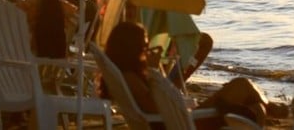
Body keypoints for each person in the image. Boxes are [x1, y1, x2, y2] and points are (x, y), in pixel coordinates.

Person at [99, 21, 268, 129]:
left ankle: (271, 108)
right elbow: (155, 107)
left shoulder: (125, 73)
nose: (146, 50)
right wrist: (152, 71)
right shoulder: (131, 78)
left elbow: (159, 101)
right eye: (143, 47)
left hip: (179, 118)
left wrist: (155, 69)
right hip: (182, 123)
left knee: (252, 104)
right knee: (242, 86)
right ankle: (275, 109)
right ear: (131, 49)